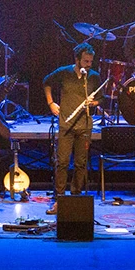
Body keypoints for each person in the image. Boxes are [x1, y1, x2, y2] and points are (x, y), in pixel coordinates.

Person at [43, 42, 102, 214]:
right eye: (85, 61)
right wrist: (51, 103)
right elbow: (46, 82)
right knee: (62, 162)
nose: (88, 65)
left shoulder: (93, 77)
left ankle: (76, 197)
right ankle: (59, 199)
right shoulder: (64, 72)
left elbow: (102, 98)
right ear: (77, 59)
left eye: (90, 62)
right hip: (66, 124)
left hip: (84, 126)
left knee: (80, 163)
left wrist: (95, 103)